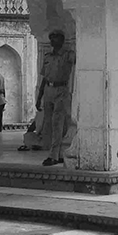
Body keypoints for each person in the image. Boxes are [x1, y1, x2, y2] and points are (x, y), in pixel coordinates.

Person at [35, 30, 74, 167]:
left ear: (62, 40)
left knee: (58, 123)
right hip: (48, 90)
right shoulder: (48, 57)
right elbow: (44, 78)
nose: (52, 41)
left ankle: (54, 155)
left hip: (61, 89)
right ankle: (56, 152)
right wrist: (39, 96)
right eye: (51, 39)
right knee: (49, 124)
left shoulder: (68, 55)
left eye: (55, 38)